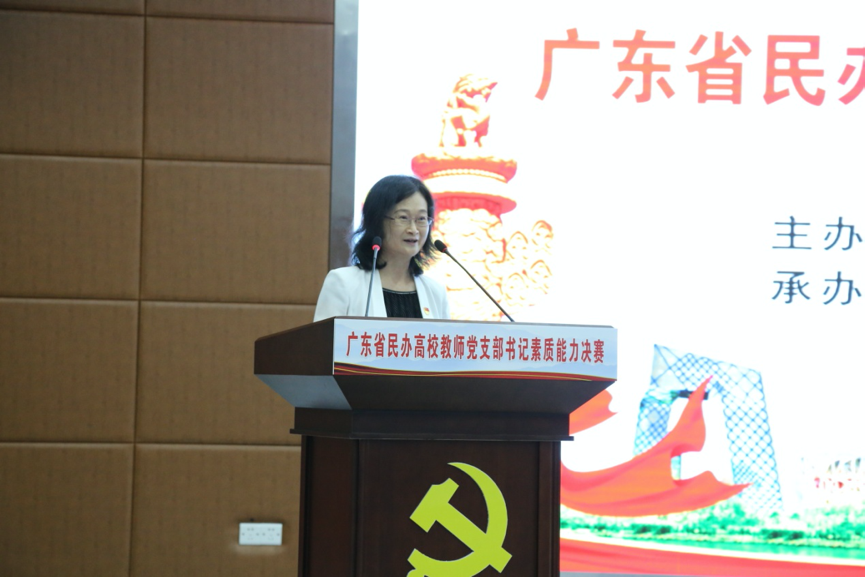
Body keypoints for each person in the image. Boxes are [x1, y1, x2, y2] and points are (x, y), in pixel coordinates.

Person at [313, 175, 451, 321]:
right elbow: (324, 336)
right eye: (403, 218)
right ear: (377, 221)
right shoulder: (343, 283)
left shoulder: (435, 292)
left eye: (421, 219)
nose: (413, 229)